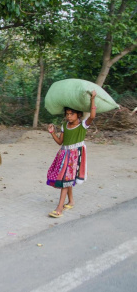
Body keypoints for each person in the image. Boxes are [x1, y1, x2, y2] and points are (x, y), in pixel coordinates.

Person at [46, 90, 97, 218]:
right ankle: (71, 201)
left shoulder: (83, 125)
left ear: (78, 114)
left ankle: (59, 208)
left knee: (65, 180)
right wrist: (52, 132)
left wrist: (93, 99)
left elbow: (92, 116)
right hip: (63, 155)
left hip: (74, 156)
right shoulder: (64, 125)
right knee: (65, 179)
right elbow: (60, 142)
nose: (69, 116)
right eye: (67, 114)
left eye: (71, 114)